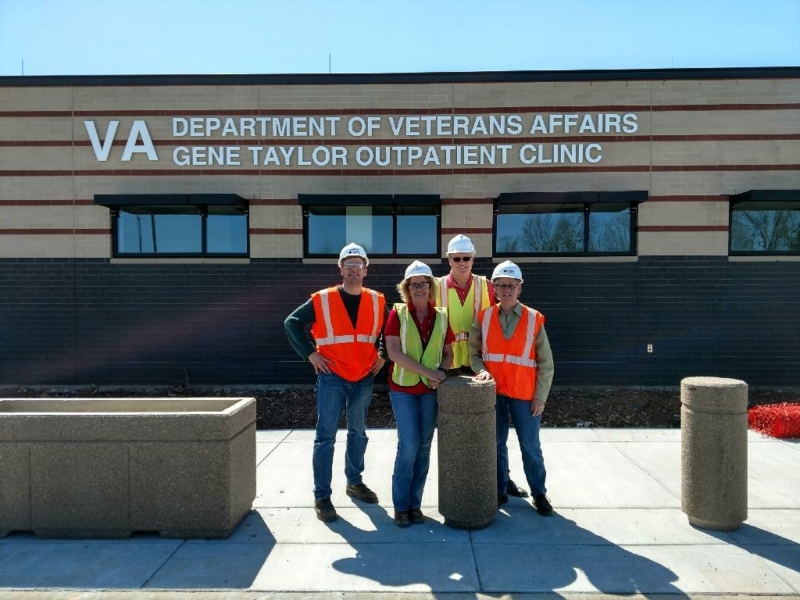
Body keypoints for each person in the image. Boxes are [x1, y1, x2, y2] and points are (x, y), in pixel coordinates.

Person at [284, 242, 386, 522]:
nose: (354, 269)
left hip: (363, 376)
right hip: (332, 376)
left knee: (358, 433)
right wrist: (310, 354)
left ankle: (354, 482)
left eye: (359, 265)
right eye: (349, 265)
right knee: (325, 438)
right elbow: (291, 322)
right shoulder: (322, 299)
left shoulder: (377, 300)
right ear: (340, 268)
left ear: (366, 269)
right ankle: (322, 496)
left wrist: (383, 354)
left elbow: (389, 330)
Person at [437, 234, 528, 499]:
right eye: (457, 258)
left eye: (466, 258)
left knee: (493, 429)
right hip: (450, 365)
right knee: (452, 427)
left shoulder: (487, 286)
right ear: (449, 259)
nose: (462, 263)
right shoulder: (437, 286)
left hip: (482, 365)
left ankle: (502, 480)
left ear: (473, 258)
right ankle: (458, 482)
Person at [469, 260, 556, 516]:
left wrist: (541, 396)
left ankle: (539, 493)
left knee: (530, 445)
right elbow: (473, 353)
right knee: (495, 444)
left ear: (519, 288)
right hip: (494, 394)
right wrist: (481, 369)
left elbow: (546, 363)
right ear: (494, 288)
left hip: (524, 395)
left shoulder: (533, 319)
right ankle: (499, 489)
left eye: (511, 285)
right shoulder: (484, 317)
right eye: (501, 285)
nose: (506, 290)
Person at [385, 260, 455, 527]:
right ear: (406, 288)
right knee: (409, 446)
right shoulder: (398, 314)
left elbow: (448, 354)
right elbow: (393, 353)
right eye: (413, 285)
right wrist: (429, 372)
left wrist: (442, 372)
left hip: (429, 392)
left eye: (423, 284)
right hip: (403, 390)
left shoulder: (442, 316)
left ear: (431, 287)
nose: (419, 288)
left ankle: (415, 504)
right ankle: (400, 506)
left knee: (424, 448)